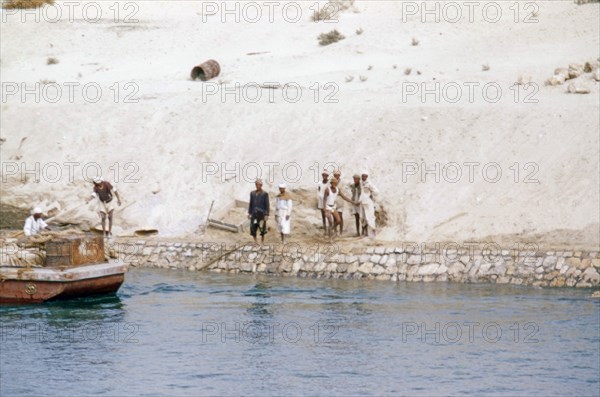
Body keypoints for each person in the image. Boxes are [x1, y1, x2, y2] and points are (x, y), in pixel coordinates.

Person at [248, 178, 270, 244]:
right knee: (253, 227)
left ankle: (262, 242)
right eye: (256, 184)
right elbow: (251, 203)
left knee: (262, 228)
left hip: (261, 215)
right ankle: (255, 241)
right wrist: (249, 213)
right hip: (254, 215)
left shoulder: (265, 194)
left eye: (258, 185)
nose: (257, 186)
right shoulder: (252, 193)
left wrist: (266, 214)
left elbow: (267, 204)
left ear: (261, 185)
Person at [359, 170, 379, 237]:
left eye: (364, 176)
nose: (363, 177)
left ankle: (374, 233)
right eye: (362, 176)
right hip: (362, 203)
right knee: (362, 217)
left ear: (367, 176)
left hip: (368, 203)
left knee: (370, 217)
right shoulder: (361, 183)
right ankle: (365, 233)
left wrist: (371, 195)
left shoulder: (369, 184)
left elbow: (376, 191)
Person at [317, 169, 329, 235]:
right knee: (323, 215)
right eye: (323, 175)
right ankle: (325, 229)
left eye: (325, 175)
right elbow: (319, 190)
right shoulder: (319, 183)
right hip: (321, 200)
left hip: (327, 201)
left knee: (328, 215)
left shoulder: (329, 183)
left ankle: (330, 228)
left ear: (327, 176)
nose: (324, 176)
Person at [332, 170, 344, 235]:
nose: (336, 176)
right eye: (335, 175)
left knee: (340, 216)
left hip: (340, 201)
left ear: (339, 175)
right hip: (333, 201)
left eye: (337, 175)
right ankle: (335, 231)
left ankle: (341, 231)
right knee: (334, 216)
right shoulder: (332, 182)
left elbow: (341, 192)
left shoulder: (342, 183)